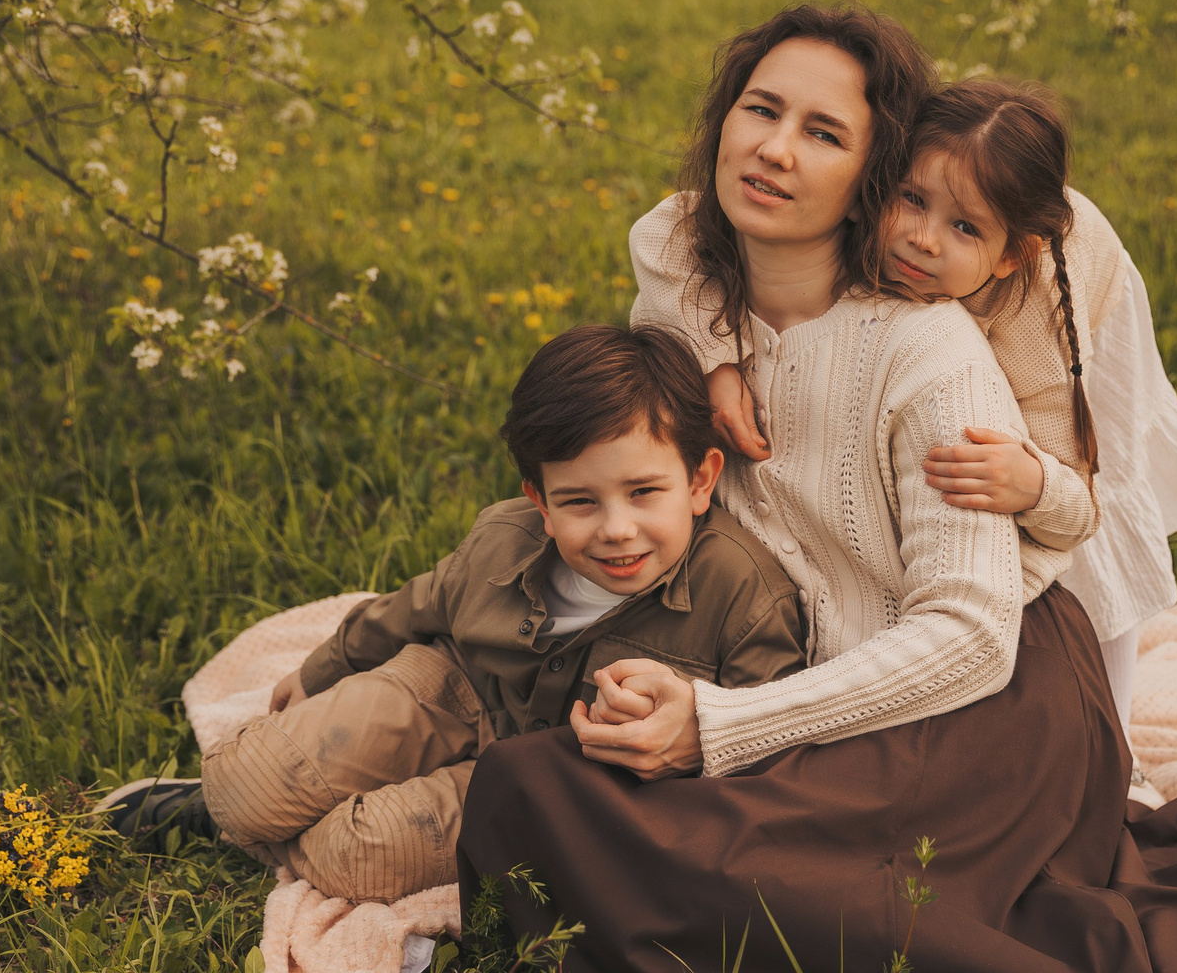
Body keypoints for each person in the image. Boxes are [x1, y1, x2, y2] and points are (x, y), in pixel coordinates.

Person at [459, 5, 1177, 973]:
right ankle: (835, 931)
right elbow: (667, 254)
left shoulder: (928, 350)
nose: (775, 152)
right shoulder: (682, 311)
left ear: (871, 175)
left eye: (822, 133)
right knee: (530, 788)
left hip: (988, 696)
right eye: (758, 111)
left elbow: (966, 637)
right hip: (823, 693)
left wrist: (719, 726)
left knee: (804, 873)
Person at [101, 323, 807, 903]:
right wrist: (327, 665)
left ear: (699, 480)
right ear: (541, 500)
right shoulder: (506, 536)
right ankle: (227, 807)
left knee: (355, 855)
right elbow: (422, 601)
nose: (616, 529)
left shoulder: (742, 593)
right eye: (581, 502)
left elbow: (763, 741)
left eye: (643, 492)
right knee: (240, 778)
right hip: (452, 685)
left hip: (541, 778)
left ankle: (273, 832)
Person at [664, 77, 1177, 791]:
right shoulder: (865, 231)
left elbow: (1084, 504)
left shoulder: (1036, 307)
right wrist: (714, 360)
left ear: (1008, 251)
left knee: (1100, 558)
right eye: (913, 201)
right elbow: (663, 229)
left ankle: (1117, 737)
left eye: (963, 228)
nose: (922, 239)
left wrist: (1037, 483)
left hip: (1087, 324)